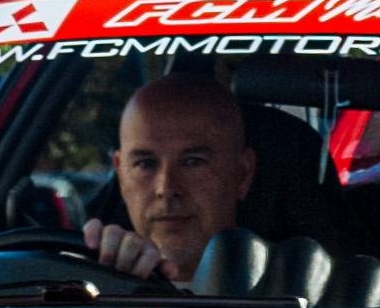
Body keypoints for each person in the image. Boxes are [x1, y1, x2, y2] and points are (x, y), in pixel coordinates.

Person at [83, 71, 262, 287]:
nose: (165, 188)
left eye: (192, 162)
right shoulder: (88, 284)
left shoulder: (296, 299)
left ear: (242, 173)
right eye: (145, 164)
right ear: (121, 176)